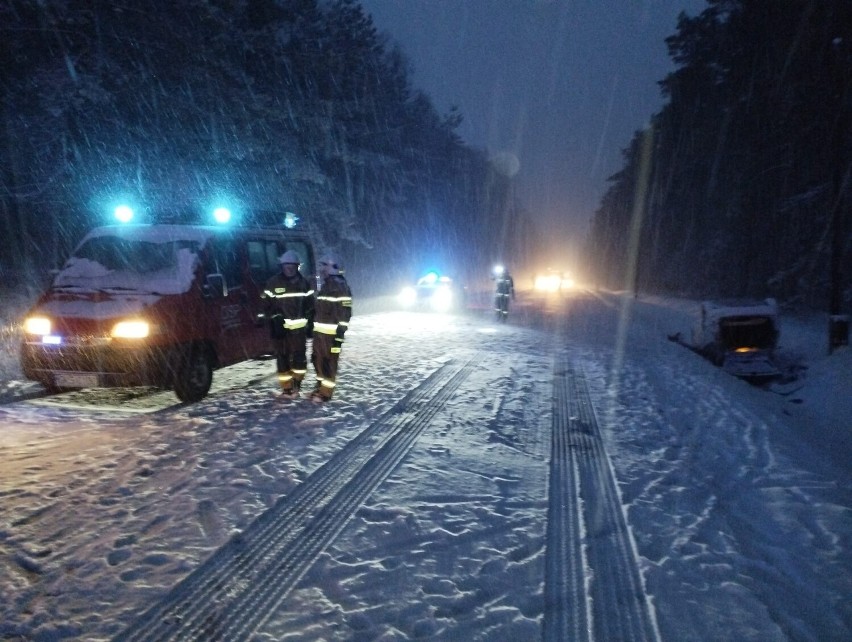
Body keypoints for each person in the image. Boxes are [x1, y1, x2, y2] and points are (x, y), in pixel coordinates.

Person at [262, 250, 315, 397]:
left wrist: (311, 322)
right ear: (282, 266)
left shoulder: (304, 284)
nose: (289, 269)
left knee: (300, 359)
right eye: (286, 266)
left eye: (292, 266)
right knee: (282, 359)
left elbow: (310, 306)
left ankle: (297, 383)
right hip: (280, 331)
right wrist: (274, 318)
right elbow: (265, 306)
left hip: (299, 332)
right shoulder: (272, 283)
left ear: (297, 267)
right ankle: (286, 388)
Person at [310, 254, 352, 402]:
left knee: (329, 362)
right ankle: (321, 388)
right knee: (318, 360)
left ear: (332, 268)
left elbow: (345, 313)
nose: (321, 270)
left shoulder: (339, 287)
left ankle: (326, 393)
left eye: (324, 267)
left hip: (332, 336)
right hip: (321, 335)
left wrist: (339, 335)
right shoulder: (327, 285)